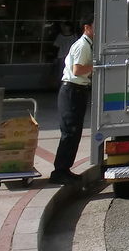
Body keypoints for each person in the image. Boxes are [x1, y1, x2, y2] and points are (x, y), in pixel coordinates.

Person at [52, 15, 94, 184]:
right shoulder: (83, 45)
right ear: (87, 27)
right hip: (72, 90)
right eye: (96, 25)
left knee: (74, 132)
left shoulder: (87, 44)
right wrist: (96, 66)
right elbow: (77, 70)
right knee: (70, 132)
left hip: (76, 90)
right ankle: (60, 171)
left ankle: (64, 169)